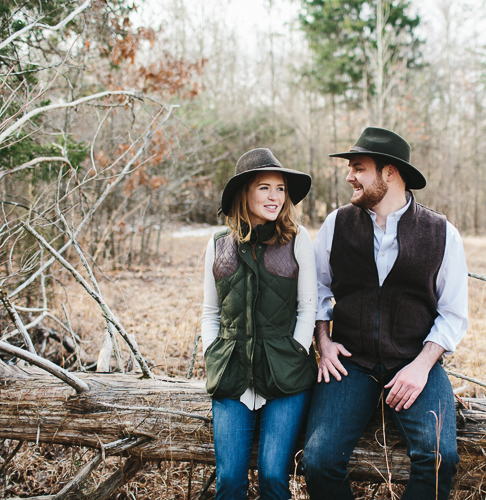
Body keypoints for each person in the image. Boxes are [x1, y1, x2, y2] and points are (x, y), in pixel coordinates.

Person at [302, 127, 469, 500]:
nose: (349, 177)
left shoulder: (442, 233)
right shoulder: (336, 225)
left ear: (389, 172)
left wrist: (422, 366)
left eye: (359, 168)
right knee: (318, 460)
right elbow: (317, 290)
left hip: (414, 360)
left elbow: (453, 314)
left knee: (440, 456)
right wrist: (324, 344)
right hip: (349, 361)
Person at [200, 148, 317, 500]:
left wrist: (295, 351)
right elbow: (210, 312)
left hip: (286, 375)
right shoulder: (218, 244)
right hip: (232, 373)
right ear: (244, 193)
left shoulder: (297, 239)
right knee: (231, 479)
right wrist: (212, 354)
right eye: (264, 187)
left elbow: (308, 308)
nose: (275, 197)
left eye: (280, 189)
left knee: (272, 475)